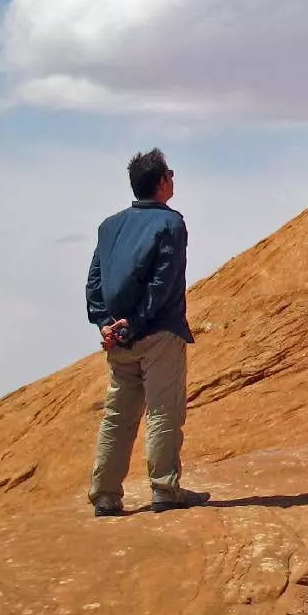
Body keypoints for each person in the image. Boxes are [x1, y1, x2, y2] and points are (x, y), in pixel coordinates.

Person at [86, 149, 207, 517]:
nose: (173, 178)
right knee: (162, 411)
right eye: (170, 173)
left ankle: (105, 495)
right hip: (157, 333)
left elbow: (94, 279)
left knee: (117, 416)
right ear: (161, 183)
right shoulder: (171, 224)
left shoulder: (109, 226)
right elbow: (163, 282)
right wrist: (134, 322)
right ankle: (164, 490)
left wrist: (106, 322)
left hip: (120, 340)